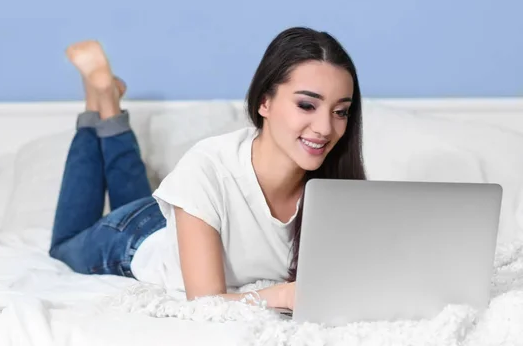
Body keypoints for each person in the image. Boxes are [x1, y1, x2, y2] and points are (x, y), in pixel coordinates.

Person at [49, 27, 365, 311]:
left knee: (134, 193)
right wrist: (283, 296)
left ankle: (110, 104)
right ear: (264, 102)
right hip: (138, 238)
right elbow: (205, 302)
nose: (325, 128)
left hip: (190, 213)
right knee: (64, 245)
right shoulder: (208, 166)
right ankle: (99, 102)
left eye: (340, 111)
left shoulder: (336, 186)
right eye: (307, 105)